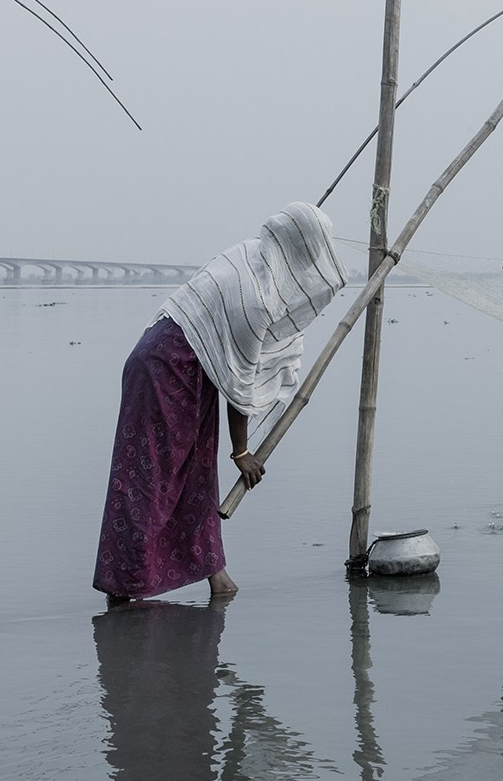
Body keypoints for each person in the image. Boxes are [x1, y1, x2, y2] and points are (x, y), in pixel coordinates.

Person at [93, 202, 347, 602]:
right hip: (164, 368)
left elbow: (238, 365)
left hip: (192, 370)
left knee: (197, 472)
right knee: (149, 479)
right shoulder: (255, 295)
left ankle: (216, 575)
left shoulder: (252, 255)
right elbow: (240, 381)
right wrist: (241, 452)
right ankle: (124, 585)